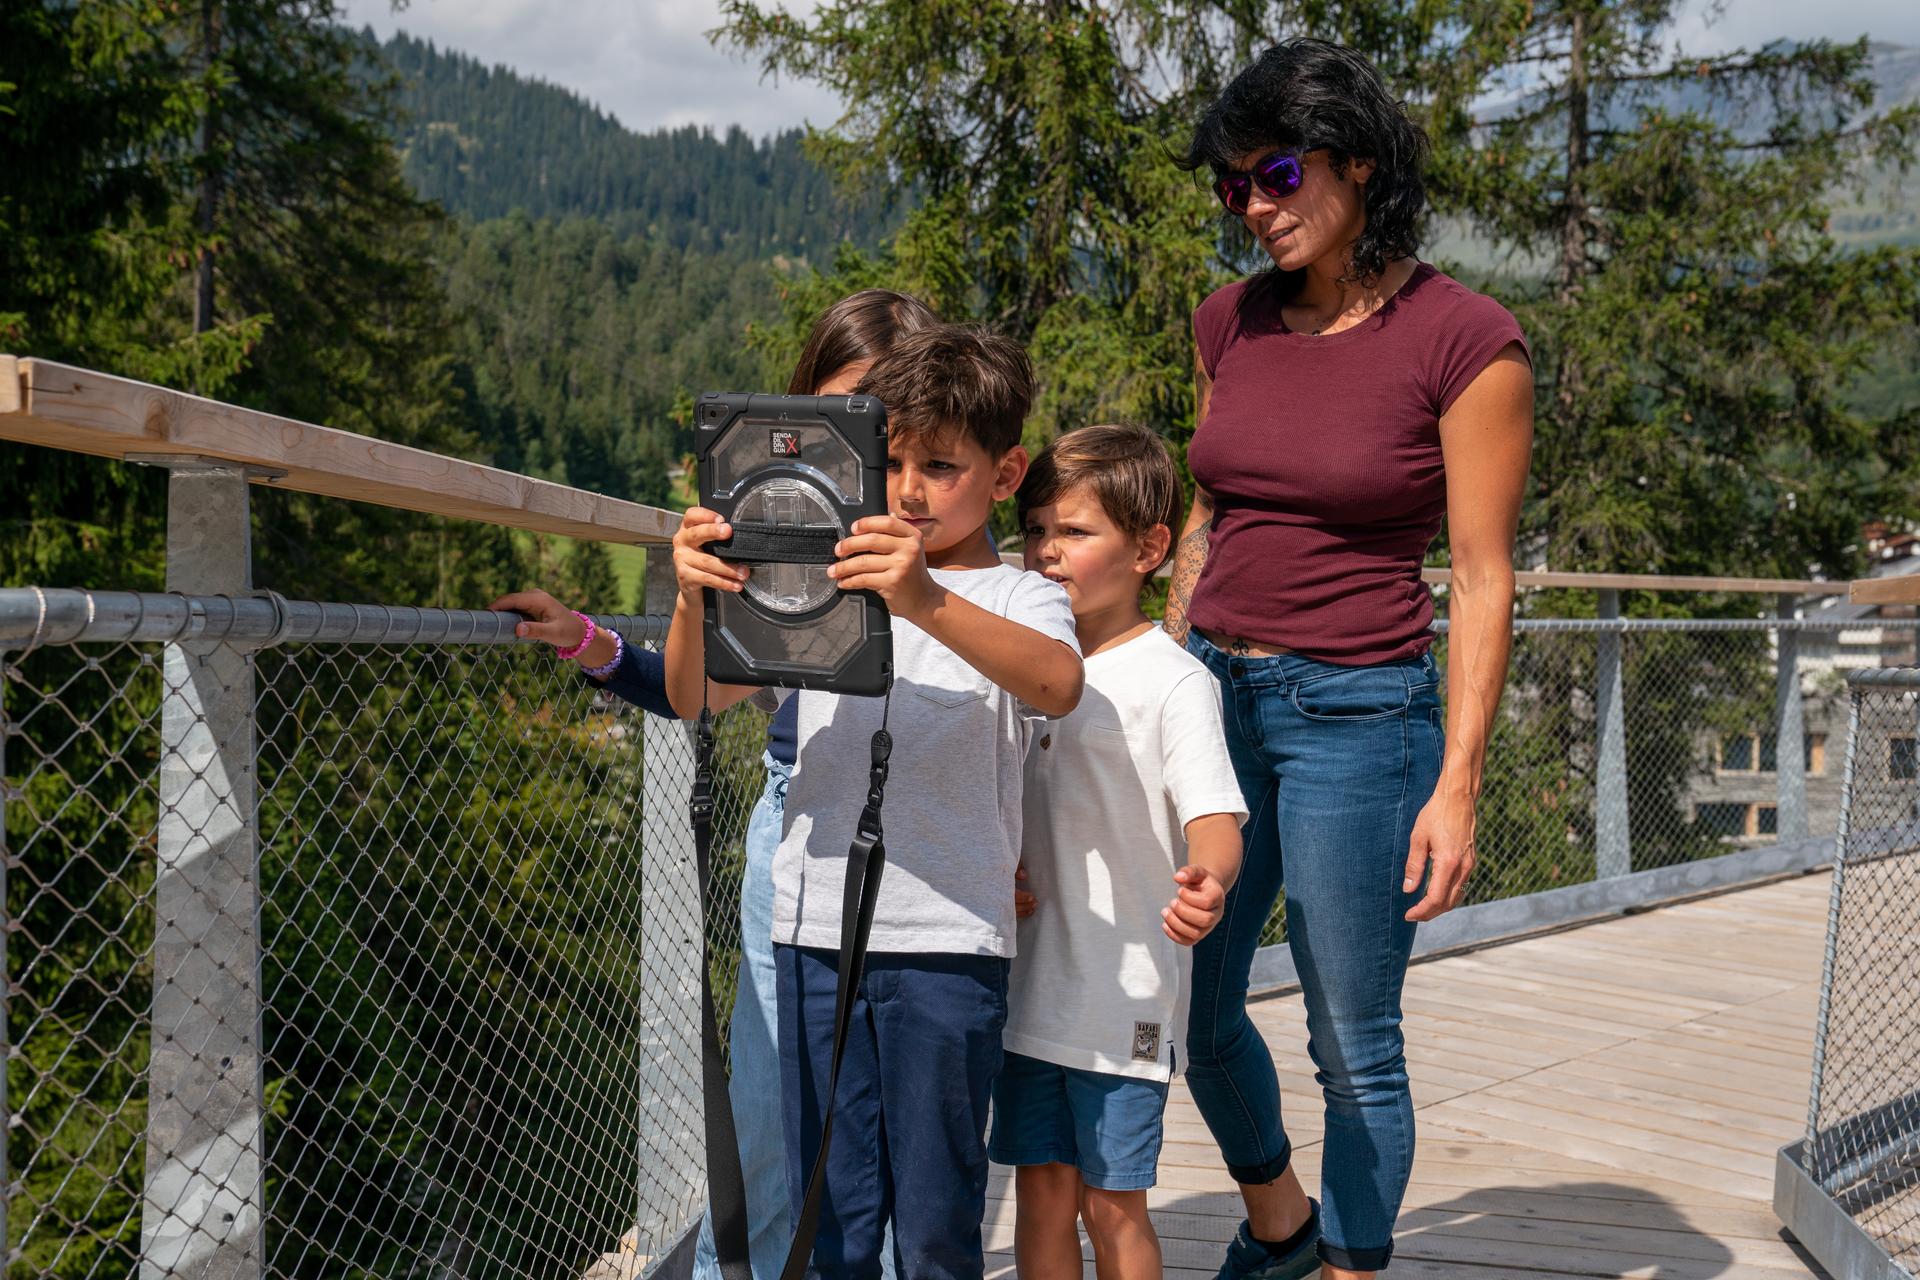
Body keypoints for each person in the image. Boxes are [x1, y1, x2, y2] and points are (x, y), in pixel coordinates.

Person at [1164, 38, 1534, 1280]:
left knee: (1351, 1038)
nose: (1255, 209)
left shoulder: (1466, 341)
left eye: (1275, 174)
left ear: (1358, 163)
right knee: (1200, 1014)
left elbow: (1483, 576)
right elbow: (1210, 517)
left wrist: (1460, 784)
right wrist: (1166, 675)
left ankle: (1350, 1265)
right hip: (1215, 699)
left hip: (1360, 719)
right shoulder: (1229, 322)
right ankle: (1280, 1217)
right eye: (1233, 189)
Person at [490, 288, 938, 1280]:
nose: (860, 446)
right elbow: (704, 689)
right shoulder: (792, 541)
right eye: (837, 415)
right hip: (802, 834)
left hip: (936, 851)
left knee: (896, 1148)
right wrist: (598, 639)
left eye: (881, 417)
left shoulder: (956, 558)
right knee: (773, 1126)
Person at [664, 324, 1084, 1280]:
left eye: (941, 467)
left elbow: (1058, 684)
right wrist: (695, 598)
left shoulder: (1019, 596)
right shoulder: (817, 578)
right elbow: (697, 697)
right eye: (889, 461)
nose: (906, 491)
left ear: (1006, 472)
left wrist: (923, 598)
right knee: (835, 1223)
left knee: (936, 1225)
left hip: (949, 946)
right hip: (814, 934)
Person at [992, 424, 1247, 1280]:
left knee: (1113, 1207)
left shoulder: (1176, 681)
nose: (1046, 553)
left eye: (1074, 532)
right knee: (1042, 1198)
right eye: (1035, 531)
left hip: (1123, 1001)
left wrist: (1208, 881)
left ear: (1150, 548)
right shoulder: (1022, 664)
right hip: (1030, 992)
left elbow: (1216, 817)